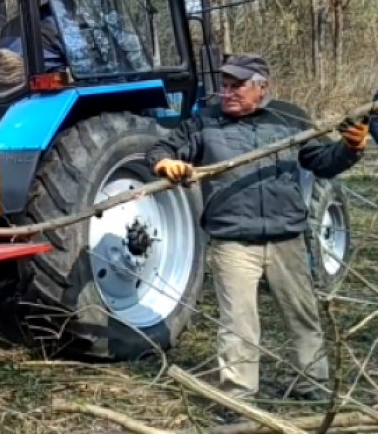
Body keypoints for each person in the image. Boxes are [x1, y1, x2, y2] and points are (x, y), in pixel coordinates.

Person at [144, 53, 369, 401]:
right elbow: (163, 148)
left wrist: (350, 148)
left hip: (288, 238)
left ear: (262, 88)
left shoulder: (289, 119)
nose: (228, 92)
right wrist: (165, 163)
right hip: (233, 242)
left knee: (303, 317)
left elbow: (322, 163)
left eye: (239, 86)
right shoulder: (205, 122)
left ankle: (315, 387)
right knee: (238, 326)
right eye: (226, 85)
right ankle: (239, 398)